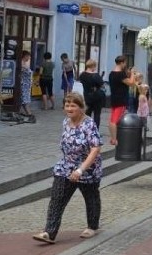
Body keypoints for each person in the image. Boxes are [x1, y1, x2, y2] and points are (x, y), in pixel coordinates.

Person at [33, 92, 103, 244]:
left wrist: (80, 170)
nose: (69, 108)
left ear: (81, 107)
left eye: (73, 105)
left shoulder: (89, 124)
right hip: (66, 166)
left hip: (87, 169)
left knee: (91, 198)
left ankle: (92, 226)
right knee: (57, 198)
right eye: (67, 105)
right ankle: (49, 232)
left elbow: (95, 149)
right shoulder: (65, 122)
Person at [108, 55, 136, 146]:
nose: (125, 65)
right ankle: (114, 140)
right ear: (121, 62)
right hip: (121, 99)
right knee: (115, 120)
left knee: (112, 119)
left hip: (114, 98)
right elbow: (131, 83)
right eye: (125, 63)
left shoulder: (111, 73)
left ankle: (113, 138)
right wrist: (132, 74)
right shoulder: (120, 74)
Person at [78, 59, 105, 128]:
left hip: (87, 96)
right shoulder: (96, 75)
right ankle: (95, 130)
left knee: (87, 114)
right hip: (97, 97)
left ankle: (86, 128)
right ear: (92, 66)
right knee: (97, 114)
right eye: (95, 66)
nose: (95, 68)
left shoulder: (82, 75)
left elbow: (82, 82)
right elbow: (102, 85)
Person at [19, 50, 33, 117]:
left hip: (26, 85)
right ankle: (28, 113)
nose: (29, 58)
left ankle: (24, 112)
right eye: (29, 56)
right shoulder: (21, 63)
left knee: (25, 99)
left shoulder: (25, 63)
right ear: (25, 56)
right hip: (23, 84)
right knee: (24, 99)